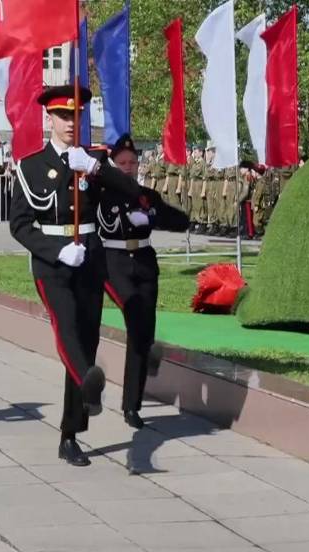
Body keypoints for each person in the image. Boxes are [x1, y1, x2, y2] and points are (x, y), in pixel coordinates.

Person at [9, 85, 142, 467]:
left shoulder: (95, 157)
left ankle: (70, 433)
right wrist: (55, 250)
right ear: (49, 118)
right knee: (66, 328)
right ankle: (89, 378)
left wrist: (95, 168)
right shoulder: (30, 165)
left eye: (77, 115)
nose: (71, 122)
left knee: (87, 338)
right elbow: (19, 225)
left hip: (90, 256)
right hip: (52, 263)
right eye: (64, 116)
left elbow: (131, 190)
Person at [99, 134, 190, 430]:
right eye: (122, 162)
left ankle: (133, 401)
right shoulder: (102, 193)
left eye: (132, 162)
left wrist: (151, 215)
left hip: (145, 263)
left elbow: (178, 220)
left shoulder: (146, 195)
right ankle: (130, 406)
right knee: (137, 322)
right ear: (113, 164)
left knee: (144, 332)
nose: (127, 167)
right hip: (115, 264)